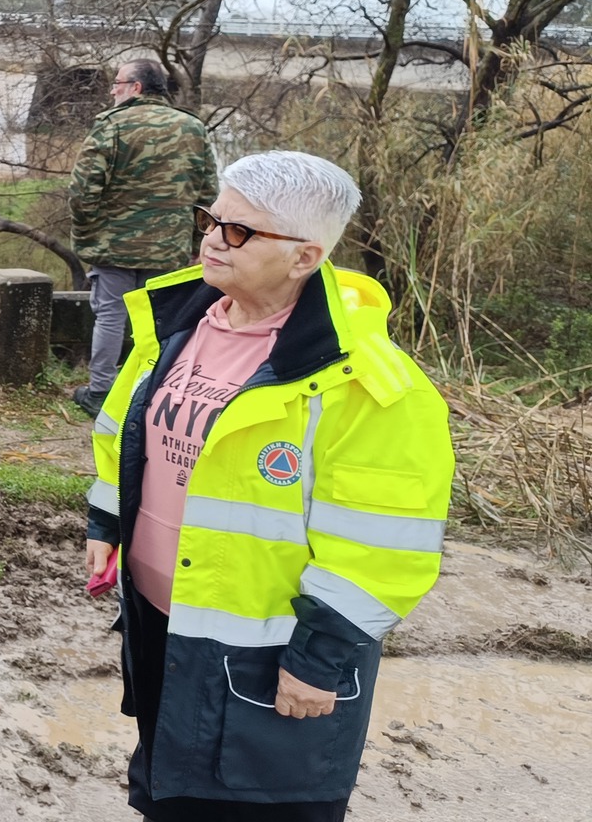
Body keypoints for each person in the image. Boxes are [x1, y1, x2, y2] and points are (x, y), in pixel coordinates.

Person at [82, 150, 452, 820]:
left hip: (271, 657)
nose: (210, 239)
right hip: (163, 628)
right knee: (167, 797)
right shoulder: (174, 324)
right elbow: (123, 435)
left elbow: (384, 545)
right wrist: (107, 524)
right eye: (210, 219)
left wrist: (321, 660)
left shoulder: (367, 384)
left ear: (304, 257)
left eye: (238, 231)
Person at [69, 59, 218, 415]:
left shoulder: (112, 125)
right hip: (169, 248)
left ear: (135, 87)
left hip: (114, 245)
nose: (112, 90)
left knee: (110, 315)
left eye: (117, 83)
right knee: (158, 320)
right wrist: (199, 245)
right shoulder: (192, 128)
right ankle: (150, 388)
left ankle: (101, 392)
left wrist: (88, 235)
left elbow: (82, 190)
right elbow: (208, 192)